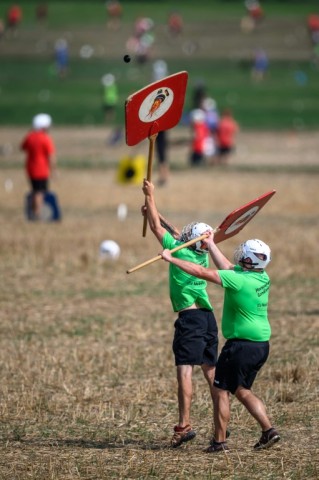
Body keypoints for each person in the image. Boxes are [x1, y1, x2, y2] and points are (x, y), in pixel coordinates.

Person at [161, 232, 281, 453]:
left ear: (250, 260)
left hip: (240, 346)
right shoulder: (262, 277)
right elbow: (226, 265)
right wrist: (211, 244)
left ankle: (220, 442)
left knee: (222, 390)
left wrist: (172, 259)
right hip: (261, 345)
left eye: (243, 254)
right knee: (242, 390)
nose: (239, 256)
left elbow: (201, 271)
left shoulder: (238, 280)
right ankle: (269, 431)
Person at [142, 179, 219, 448]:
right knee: (211, 374)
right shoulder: (201, 252)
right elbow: (169, 228)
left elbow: (155, 228)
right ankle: (221, 427)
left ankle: (184, 426)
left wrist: (150, 196)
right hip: (208, 319)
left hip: (190, 320)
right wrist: (153, 208)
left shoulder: (177, 251)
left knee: (185, 373)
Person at [20, 113, 56, 220]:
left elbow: (23, 147)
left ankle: (33, 211)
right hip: (41, 169)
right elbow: (51, 156)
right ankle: (37, 214)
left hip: (30, 168)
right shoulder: (45, 138)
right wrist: (54, 170)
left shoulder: (30, 136)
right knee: (40, 192)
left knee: (34, 190)